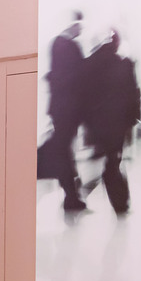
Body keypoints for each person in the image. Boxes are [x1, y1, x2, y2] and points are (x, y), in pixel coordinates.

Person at [80, 30, 140, 215]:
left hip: (96, 124)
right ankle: (120, 203)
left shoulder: (89, 64)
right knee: (113, 161)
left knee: (109, 160)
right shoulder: (124, 63)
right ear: (116, 43)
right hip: (117, 122)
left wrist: (87, 122)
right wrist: (132, 121)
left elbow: (82, 96)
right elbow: (133, 94)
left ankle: (117, 200)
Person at [42, 15, 87, 211]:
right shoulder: (68, 46)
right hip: (68, 109)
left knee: (64, 151)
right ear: (73, 25)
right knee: (64, 152)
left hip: (60, 109)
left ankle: (71, 193)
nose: (81, 31)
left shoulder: (57, 44)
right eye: (80, 27)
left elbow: (55, 76)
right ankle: (71, 196)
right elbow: (77, 77)